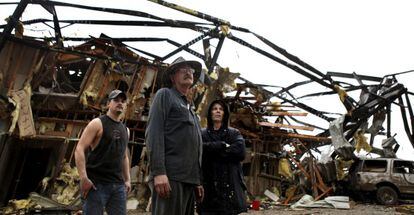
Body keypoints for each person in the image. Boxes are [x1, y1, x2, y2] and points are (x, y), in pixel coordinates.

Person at [145, 56, 204, 215]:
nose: (188, 72)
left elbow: (195, 146)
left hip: (188, 180)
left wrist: (197, 180)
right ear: (172, 77)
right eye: (182, 69)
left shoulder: (190, 108)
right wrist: (159, 172)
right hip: (171, 177)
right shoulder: (165, 95)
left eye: (190, 70)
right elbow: (154, 133)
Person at [75, 89, 131, 215]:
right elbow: (79, 149)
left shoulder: (126, 130)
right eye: (116, 100)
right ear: (108, 104)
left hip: (118, 186)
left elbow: (124, 157)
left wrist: (127, 179)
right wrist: (83, 178)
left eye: (123, 101)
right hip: (96, 184)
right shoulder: (97, 123)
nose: (120, 103)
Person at [198, 99, 247, 215]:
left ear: (225, 113)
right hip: (208, 186)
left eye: (221, 109)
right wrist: (221, 145)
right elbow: (196, 150)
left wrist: (211, 151)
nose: (218, 111)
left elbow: (240, 152)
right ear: (210, 113)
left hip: (229, 186)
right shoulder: (202, 134)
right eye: (215, 109)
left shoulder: (233, 133)